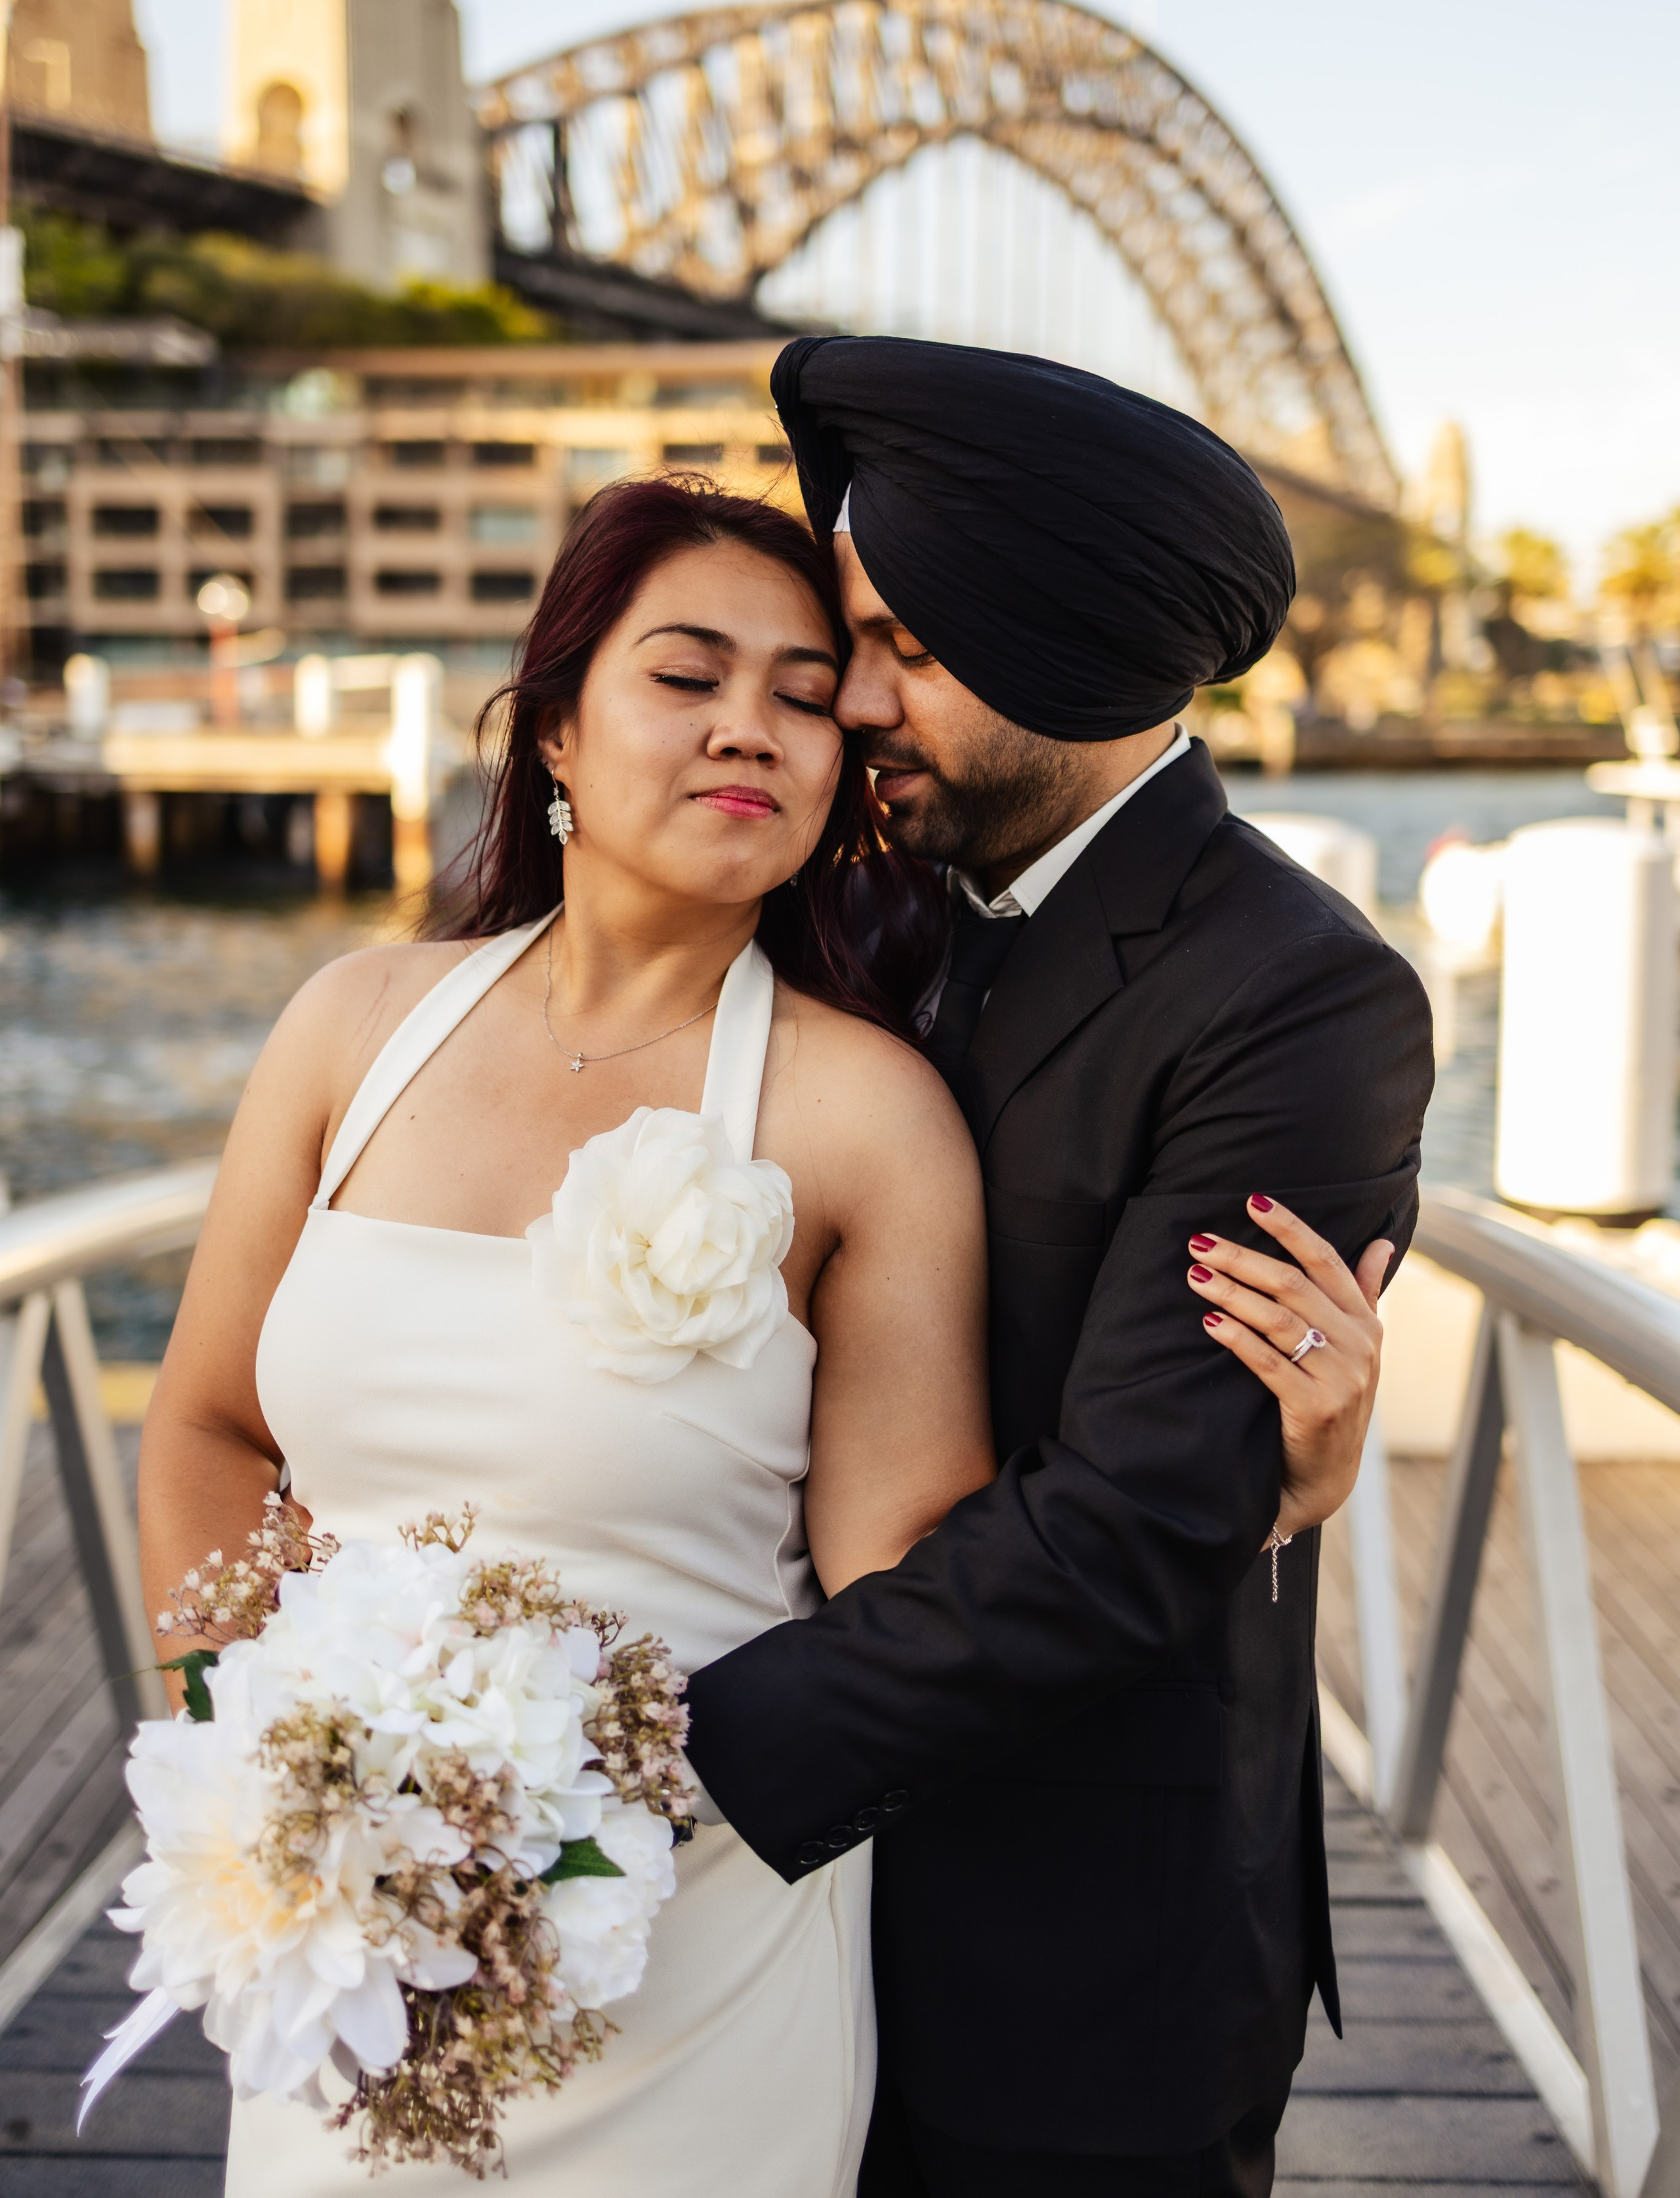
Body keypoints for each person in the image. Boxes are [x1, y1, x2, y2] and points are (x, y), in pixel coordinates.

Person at [138, 471, 1396, 2198]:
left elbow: (908, 1566)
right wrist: (278, 1794)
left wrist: (1247, 1494)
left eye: (807, 696)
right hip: (347, 1925)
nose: (760, 727)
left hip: (696, 1937)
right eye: (687, 676)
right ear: (557, 727)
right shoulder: (347, 1027)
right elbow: (209, 1428)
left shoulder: (870, 1113)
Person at [682, 338, 1436, 2198]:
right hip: (778, 1950)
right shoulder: (875, 912)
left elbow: (1126, 1522)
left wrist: (663, 1759)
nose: (853, 702)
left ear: (1071, 656)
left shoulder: (1298, 994)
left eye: (909, 653)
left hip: (1073, 1955)